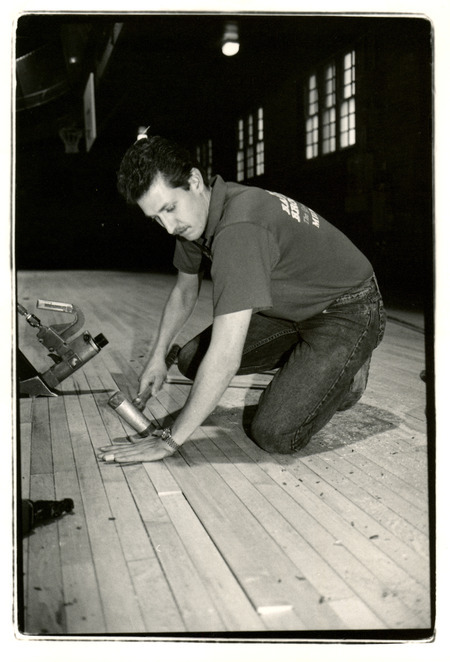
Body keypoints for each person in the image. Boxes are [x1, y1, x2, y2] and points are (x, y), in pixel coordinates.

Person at [98, 135, 386, 464]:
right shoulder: (195, 217)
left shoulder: (239, 228)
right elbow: (184, 289)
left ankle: (348, 373)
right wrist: (156, 357)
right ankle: (317, 365)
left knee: (275, 433)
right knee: (191, 359)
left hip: (347, 307)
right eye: (156, 218)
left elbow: (225, 358)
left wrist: (170, 440)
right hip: (292, 310)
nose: (168, 227)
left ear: (193, 181)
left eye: (168, 209)